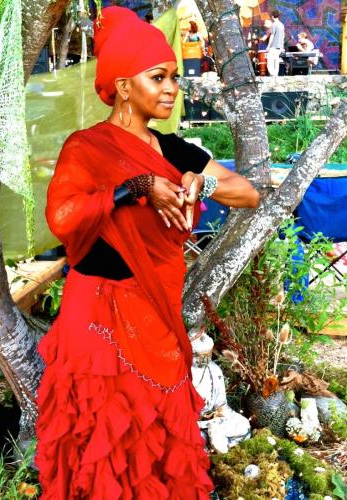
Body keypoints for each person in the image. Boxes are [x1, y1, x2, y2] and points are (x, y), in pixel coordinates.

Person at [36, 6, 260, 499]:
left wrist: (200, 184)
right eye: (157, 77)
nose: (171, 88)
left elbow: (248, 193)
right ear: (121, 86)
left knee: (156, 433)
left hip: (154, 313)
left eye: (174, 78)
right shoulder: (87, 148)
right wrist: (134, 186)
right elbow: (63, 217)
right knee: (100, 437)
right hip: (95, 315)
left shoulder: (177, 150)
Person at [266, 9, 285, 77]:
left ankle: (272, 74)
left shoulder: (274, 24)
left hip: (273, 46)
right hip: (279, 46)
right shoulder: (281, 25)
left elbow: (272, 35)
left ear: (272, 16)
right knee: (276, 60)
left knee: (270, 60)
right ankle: (275, 74)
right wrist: (282, 47)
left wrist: (268, 46)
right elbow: (283, 37)